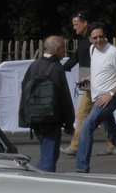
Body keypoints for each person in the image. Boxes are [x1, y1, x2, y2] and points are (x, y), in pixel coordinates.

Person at [75, 24, 116, 174]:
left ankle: (81, 169)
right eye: (95, 38)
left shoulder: (113, 52)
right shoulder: (93, 49)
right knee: (113, 134)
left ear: (105, 36)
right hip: (99, 97)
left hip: (109, 99)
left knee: (86, 127)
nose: (99, 40)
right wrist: (89, 78)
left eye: (101, 36)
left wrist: (110, 94)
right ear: (90, 39)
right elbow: (100, 70)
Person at [19, 34, 75, 171]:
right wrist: (69, 123)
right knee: (49, 158)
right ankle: (37, 182)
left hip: (34, 118)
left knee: (47, 154)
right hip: (51, 119)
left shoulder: (34, 65)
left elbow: (24, 91)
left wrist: (26, 118)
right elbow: (64, 97)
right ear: (57, 50)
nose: (64, 52)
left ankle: (35, 178)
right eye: (63, 48)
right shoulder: (57, 68)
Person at [58, 12, 95, 154]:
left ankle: (75, 146)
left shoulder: (92, 39)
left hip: (93, 82)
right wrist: (62, 69)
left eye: (76, 24)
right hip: (89, 82)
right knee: (104, 118)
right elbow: (76, 57)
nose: (74, 28)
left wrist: (62, 69)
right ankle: (113, 145)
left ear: (85, 23)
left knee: (81, 113)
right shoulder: (84, 40)